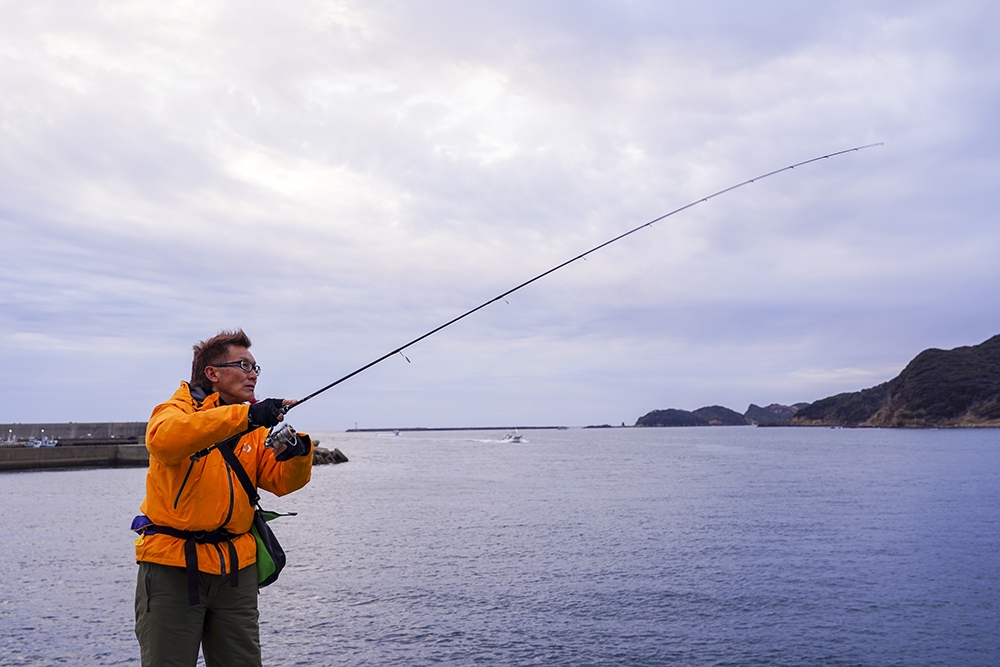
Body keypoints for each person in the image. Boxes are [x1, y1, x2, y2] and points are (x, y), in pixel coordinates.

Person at [132, 329, 313, 667]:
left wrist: (298, 453)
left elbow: (279, 482)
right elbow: (164, 441)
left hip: (236, 570)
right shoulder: (174, 412)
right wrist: (244, 417)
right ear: (212, 373)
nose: (253, 374)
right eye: (244, 365)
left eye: (256, 368)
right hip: (174, 566)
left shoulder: (251, 425)